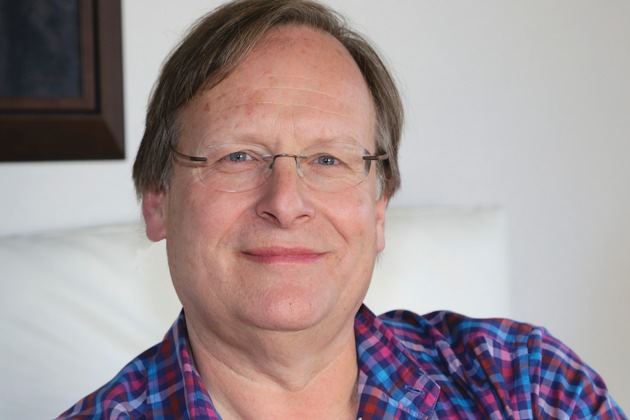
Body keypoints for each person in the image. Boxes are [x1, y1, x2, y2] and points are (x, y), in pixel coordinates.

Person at [59, 0, 625, 418]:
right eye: (237, 156)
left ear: (379, 210)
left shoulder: (531, 388)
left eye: (328, 159)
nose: (286, 203)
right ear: (156, 200)